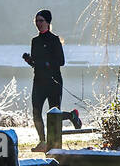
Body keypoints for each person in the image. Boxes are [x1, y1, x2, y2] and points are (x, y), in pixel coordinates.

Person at [23, 9, 80, 151]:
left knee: (54, 113)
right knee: (36, 112)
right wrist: (29, 60)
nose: (38, 23)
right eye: (36, 21)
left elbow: (61, 61)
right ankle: (42, 142)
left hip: (53, 81)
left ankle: (72, 116)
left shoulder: (55, 40)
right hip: (39, 82)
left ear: (48, 22)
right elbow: (36, 63)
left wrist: (46, 64)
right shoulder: (35, 41)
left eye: (41, 21)